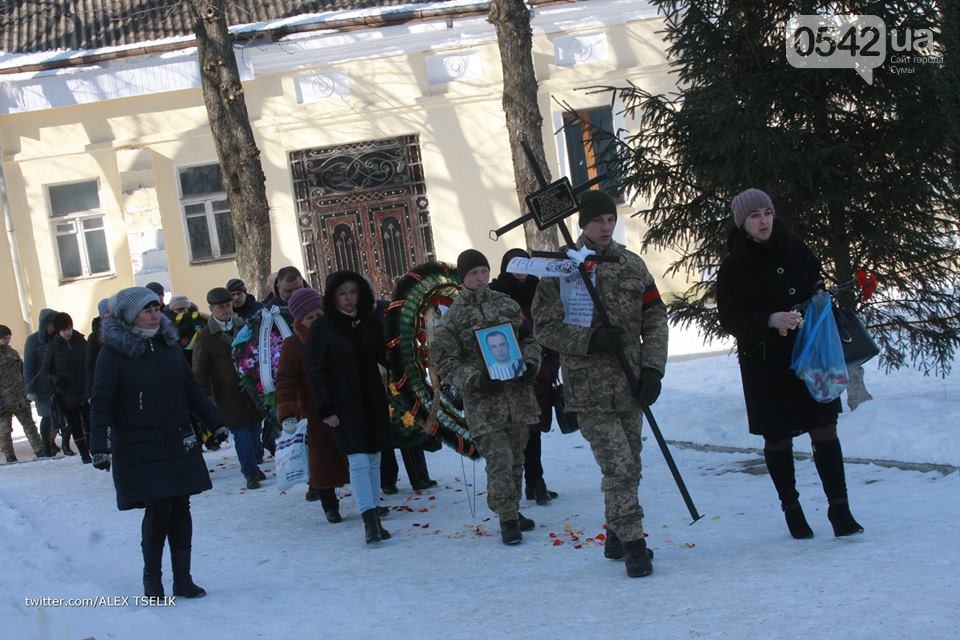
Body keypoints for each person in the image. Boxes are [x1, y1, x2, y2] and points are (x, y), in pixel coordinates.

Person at [532, 190, 667, 577]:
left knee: (632, 465)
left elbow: (655, 316)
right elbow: (545, 327)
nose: (605, 227)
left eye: (609, 219)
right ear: (582, 225)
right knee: (619, 466)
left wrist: (653, 370)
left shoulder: (632, 264)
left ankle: (615, 531)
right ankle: (635, 543)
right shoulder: (563, 268)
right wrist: (590, 340)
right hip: (589, 389)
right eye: (597, 221)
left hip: (630, 382)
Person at [716, 188, 863, 540]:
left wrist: (818, 299)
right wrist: (769, 320)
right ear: (742, 222)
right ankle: (792, 508)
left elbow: (815, 283)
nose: (763, 220)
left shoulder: (796, 247)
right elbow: (730, 318)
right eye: (754, 215)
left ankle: (839, 508)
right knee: (778, 436)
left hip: (812, 354)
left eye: (767, 212)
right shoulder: (734, 265)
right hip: (766, 363)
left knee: (825, 426)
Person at [89, 286, 227, 598]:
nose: (154, 315)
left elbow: (190, 389)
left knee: (181, 504)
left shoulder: (168, 345)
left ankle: (183, 578)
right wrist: (98, 445)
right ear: (129, 316)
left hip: (178, 437)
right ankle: (153, 579)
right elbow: (101, 401)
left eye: (156, 309)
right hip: (139, 443)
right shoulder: (113, 353)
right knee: (160, 507)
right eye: (147, 310)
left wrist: (215, 422)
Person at [432, 249, 541, 546]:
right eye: (472, 274)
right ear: (463, 278)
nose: (479, 278)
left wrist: (531, 365)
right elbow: (444, 361)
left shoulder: (507, 304)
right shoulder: (454, 317)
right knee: (499, 459)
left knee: (517, 456)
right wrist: (475, 379)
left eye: (483, 271)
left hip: (517, 395)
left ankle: (514, 509)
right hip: (484, 402)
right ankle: (507, 518)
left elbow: (529, 339)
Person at [305, 271, 392, 545]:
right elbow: (315, 371)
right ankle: (368, 519)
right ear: (332, 297)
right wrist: (326, 407)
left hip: (373, 399)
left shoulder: (368, 321)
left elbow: (383, 354)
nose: (349, 299)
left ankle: (376, 515)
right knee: (358, 459)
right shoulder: (322, 327)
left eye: (353, 292)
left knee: (375, 456)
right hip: (343, 403)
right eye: (342, 293)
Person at [490, 247, 561, 505]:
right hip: (511, 371)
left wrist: (553, 361)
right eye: (515, 266)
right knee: (521, 430)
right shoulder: (497, 292)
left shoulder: (539, 289)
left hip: (540, 369)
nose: (520, 272)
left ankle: (535, 481)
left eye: (524, 266)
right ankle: (529, 483)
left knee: (535, 428)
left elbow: (552, 323)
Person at [276, 287, 350, 520]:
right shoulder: (293, 345)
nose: (316, 321)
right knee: (322, 458)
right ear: (299, 320)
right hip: (314, 409)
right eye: (310, 318)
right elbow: (285, 379)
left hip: (346, 403)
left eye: (319, 315)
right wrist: (288, 411)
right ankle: (329, 505)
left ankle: (368, 501)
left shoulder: (339, 332)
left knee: (356, 455)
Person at [192, 287, 265, 489]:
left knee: (255, 430)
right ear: (211, 308)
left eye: (227, 305)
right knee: (242, 434)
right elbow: (200, 371)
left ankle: (254, 466)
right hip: (227, 395)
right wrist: (206, 399)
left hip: (251, 390)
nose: (225, 310)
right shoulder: (205, 337)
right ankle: (250, 473)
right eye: (220, 307)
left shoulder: (244, 326)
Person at [42, 312, 91, 463]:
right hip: (66, 394)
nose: (68, 332)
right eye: (64, 330)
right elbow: (45, 370)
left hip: (84, 389)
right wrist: (56, 380)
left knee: (90, 422)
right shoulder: (52, 346)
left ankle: (94, 450)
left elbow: (90, 362)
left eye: (69, 328)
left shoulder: (81, 341)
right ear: (58, 331)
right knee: (75, 425)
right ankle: (84, 454)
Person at [0, 325, 47, 461]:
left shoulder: (12, 353)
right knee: (5, 431)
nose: (8, 340)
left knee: (30, 426)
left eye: (9, 338)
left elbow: (22, 372)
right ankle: (10, 456)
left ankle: (40, 450)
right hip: (3, 401)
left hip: (19, 397)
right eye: (5, 338)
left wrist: (26, 392)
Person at [24, 308, 60, 456]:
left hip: (59, 384)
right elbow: (29, 366)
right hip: (42, 387)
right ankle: (46, 446)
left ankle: (53, 443)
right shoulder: (33, 341)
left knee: (60, 418)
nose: (52, 328)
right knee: (47, 417)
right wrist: (30, 390)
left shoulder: (59, 338)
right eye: (50, 324)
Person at [85, 298, 111, 404]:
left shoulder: (124, 331)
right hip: (104, 382)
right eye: (107, 312)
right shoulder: (95, 337)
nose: (110, 315)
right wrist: (90, 393)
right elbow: (90, 366)